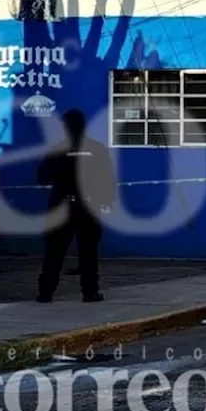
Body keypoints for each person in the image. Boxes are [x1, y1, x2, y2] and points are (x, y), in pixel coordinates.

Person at [36, 109, 116, 303]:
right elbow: (107, 178)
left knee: (54, 252)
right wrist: (106, 201)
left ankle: (46, 293)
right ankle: (90, 292)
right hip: (88, 207)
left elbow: (42, 177)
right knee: (88, 252)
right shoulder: (97, 148)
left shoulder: (56, 148)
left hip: (60, 207)